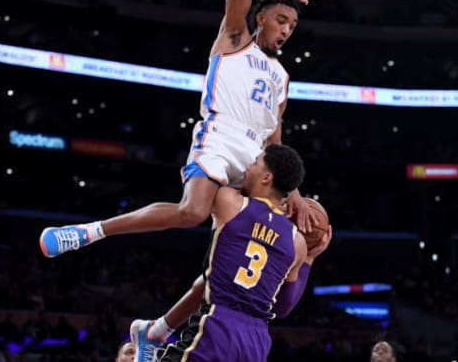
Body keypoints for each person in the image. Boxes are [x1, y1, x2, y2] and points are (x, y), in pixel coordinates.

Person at [39, 0, 322, 258]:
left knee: (277, 230)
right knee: (193, 212)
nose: (287, 29)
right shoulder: (236, 39)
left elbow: (274, 143)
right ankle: (90, 231)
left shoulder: (282, 77)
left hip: (256, 158)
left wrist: (294, 193)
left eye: (292, 25)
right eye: (281, 20)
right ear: (261, 18)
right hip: (220, 137)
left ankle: (229, 296)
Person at [136, 144, 330, 362]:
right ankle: (155, 331)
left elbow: (217, 164)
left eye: (255, 162)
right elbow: (283, 307)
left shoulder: (230, 201)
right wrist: (309, 259)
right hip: (257, 341)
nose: (247, 166)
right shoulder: (297, 243)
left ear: (266, 178)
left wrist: (290, 192)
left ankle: (151, 338)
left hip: (218, 323)